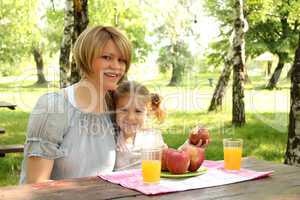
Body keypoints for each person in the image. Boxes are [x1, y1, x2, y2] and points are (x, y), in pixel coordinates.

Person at [19, 26, 132, 184]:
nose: (116, 66)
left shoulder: (113, 106)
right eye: (107, 57)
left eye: (122, 60)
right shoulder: (54, 107)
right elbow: (36, 184)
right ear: (87, 57)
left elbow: (135, 151)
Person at [112, 81, 165, 170]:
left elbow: (169, 162)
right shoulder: (111, 138)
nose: (131, 117)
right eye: (124, 110)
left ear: (147, 112)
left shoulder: (153, 138)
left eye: (138, 111)